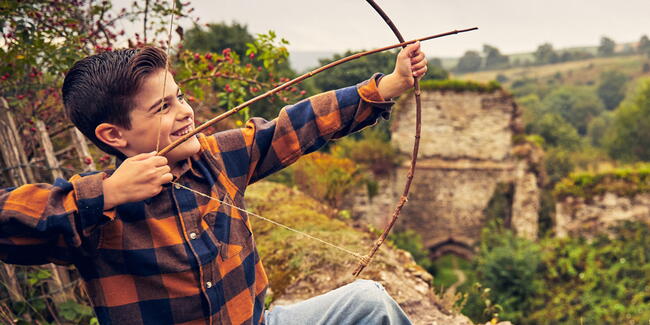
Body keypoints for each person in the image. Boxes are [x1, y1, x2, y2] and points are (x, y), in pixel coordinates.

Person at [0, 41, 427, 324]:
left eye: (180, 96)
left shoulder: (215, 157)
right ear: (114, 135)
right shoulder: (93, 213)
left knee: (369, 303)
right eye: (162, 108)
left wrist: (388, 86)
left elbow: (293, 127)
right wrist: (106, 194)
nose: (185, 112)